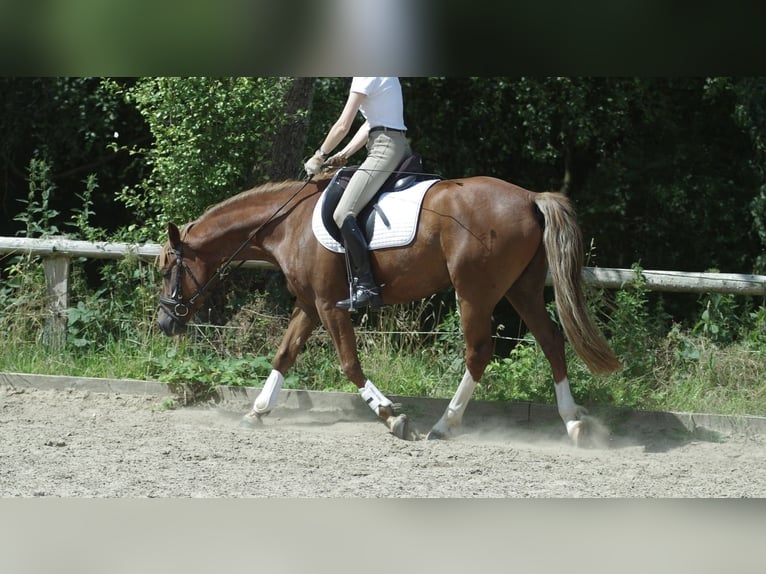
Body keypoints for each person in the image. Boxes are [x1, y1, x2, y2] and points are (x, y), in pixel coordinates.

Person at [305, 77, 411, 310]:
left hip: (384, 148)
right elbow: (370, 124)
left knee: (343, 213)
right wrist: (344, 153)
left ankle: (367, 285)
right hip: (389, 142)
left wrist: (319, 155)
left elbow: (343, 125)